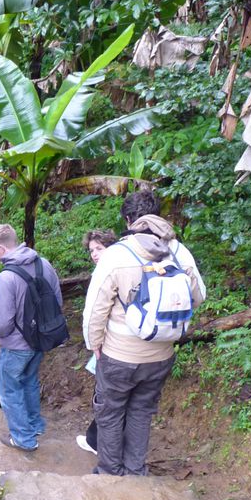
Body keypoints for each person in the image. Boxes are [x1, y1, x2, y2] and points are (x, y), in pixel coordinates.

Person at [82, 190, 205, 476]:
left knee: (111, 413)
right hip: (161, 355)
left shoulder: (116, 255)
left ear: (127, 219)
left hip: (119, 355)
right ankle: (136, 471)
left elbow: (95, 310)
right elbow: (198, 296)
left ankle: (111, 473)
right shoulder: (178, 251)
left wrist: (94, 344)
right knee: (141, 411)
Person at [0, 224, 63, 452]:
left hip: (16, 345)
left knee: (10, 390)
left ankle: (24, 439)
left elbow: (1, 323)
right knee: (29, 381)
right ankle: (34, 424)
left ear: (1, 248)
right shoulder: (43, 264)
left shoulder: (6, 278)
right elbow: (57, 301)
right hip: (40, 340)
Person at [77, 229, 118, 455]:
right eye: (92, 250)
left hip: (111, 345)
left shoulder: (109, 273)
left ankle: (97, 443)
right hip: (114, 343)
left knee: (105, 396)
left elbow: (96, 313)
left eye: (99, 249)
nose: (94, 254)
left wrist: (94, 342)